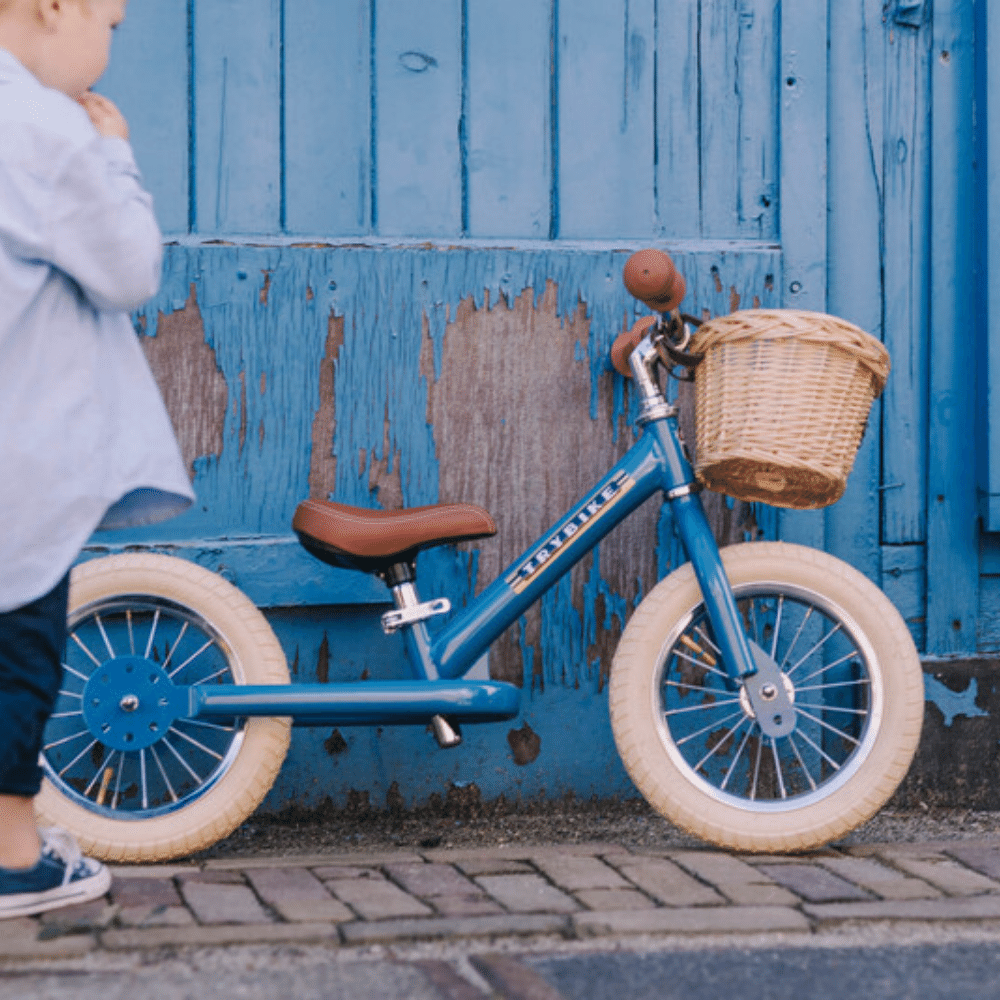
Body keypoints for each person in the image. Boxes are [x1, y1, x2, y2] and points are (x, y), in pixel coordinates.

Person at [0, 0, 194, 918]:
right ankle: (10, 859)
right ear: (53, 8)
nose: (108, 46)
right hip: (19, 452)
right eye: (109, 23)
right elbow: (127, 270)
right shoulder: (44, 128)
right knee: (16, 641)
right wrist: (115, 153)